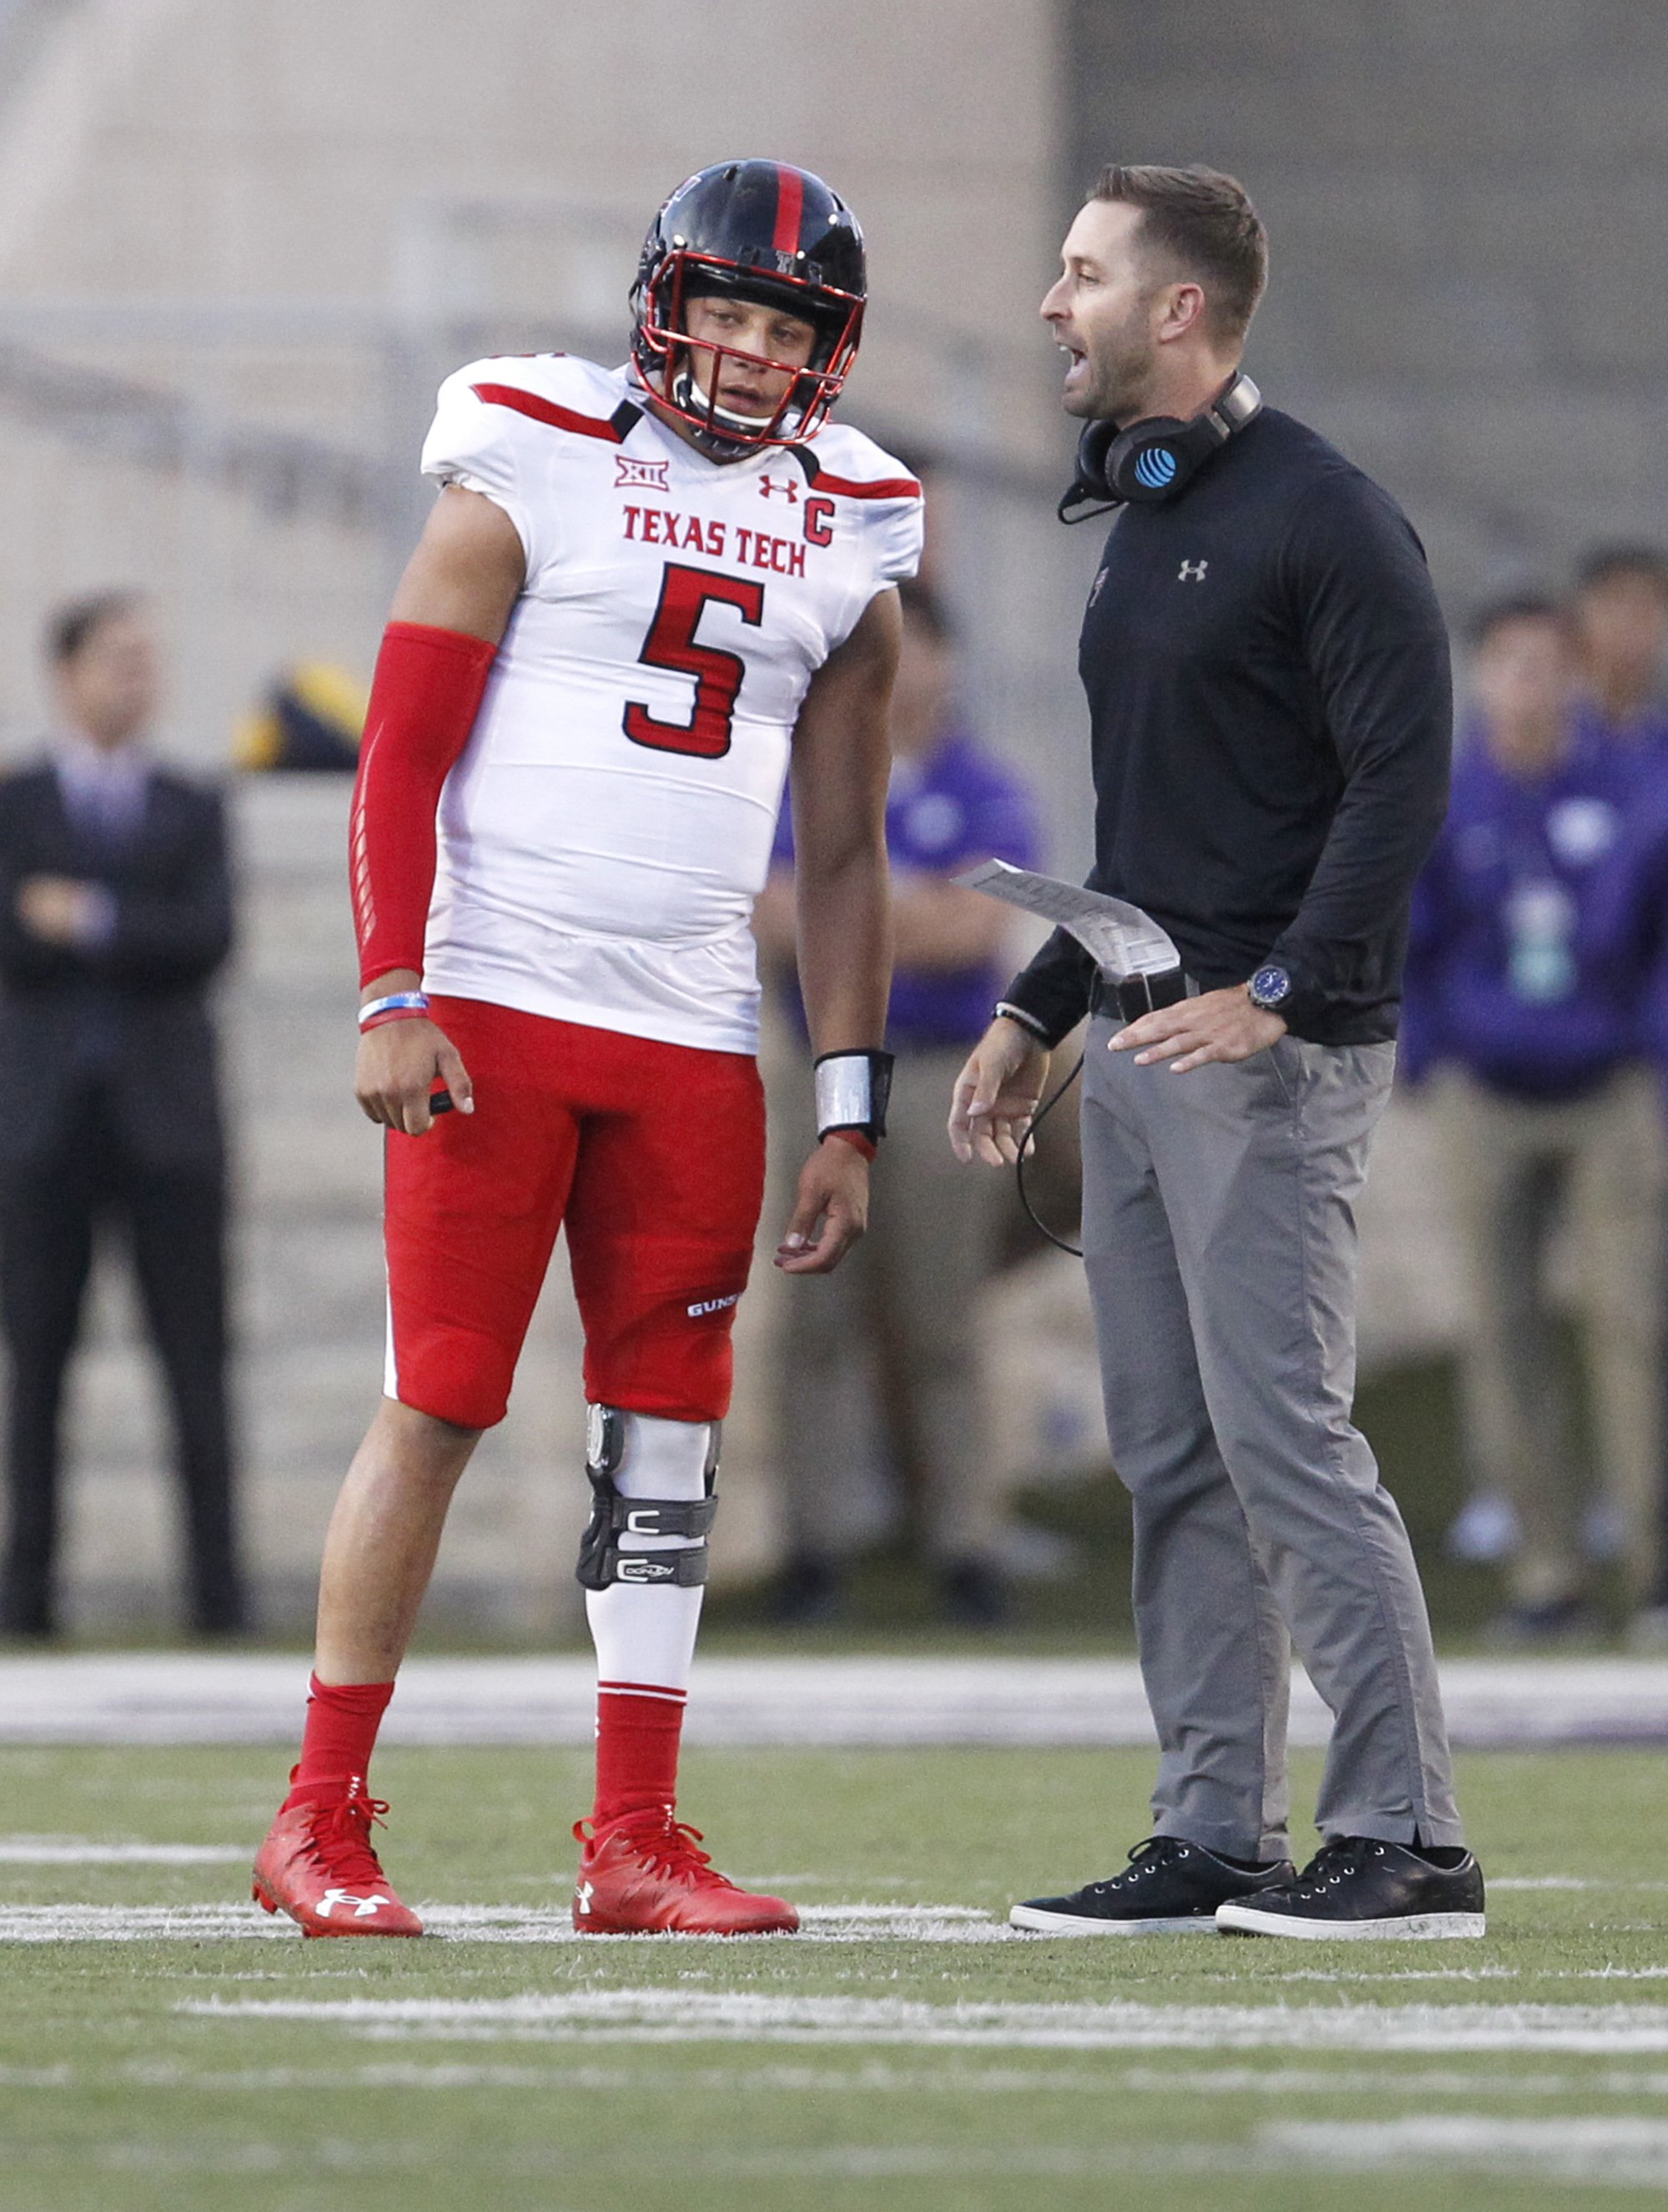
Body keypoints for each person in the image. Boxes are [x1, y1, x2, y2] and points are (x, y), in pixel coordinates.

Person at [251, 159, 920, 1939]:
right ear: (662, 301)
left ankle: (635, 1838)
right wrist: (393, 989)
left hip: (693, 1031)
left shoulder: (854, 521)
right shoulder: (527, 445)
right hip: (493, 1005)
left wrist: (845, 1103)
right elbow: (394, 754)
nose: (751, 348)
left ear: (826, 349)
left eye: (785, 324)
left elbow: (843, 851)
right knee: (445, 1391)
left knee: (672, 1437)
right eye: (725, 307)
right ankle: (317, 1816)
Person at [951, 163, 1485, 1938]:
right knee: (1170, 1455)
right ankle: (1212, 1834)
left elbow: (1403, 782)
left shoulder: (1324, 517)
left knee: (1284, 1441)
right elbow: (1157, 839)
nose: (1053, 301)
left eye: (1084, 273)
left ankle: (1407, 1833)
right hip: (1138, 1044)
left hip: (1268, 1057)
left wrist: (1275, 993)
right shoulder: (1148, 526)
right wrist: (1038, 1010)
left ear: (1178, 308)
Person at [756, 576, 1041, 1626]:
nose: (906, 667)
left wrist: (848, 916)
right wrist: (899, 910)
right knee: (813, 1314)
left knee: (941, 1314)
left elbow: (979, 926)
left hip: (933, 1071)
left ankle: (965, 1540)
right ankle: (810, 1548)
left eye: (923, 646)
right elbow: (765, 905)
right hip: (824, 1059)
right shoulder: (810, 769)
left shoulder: (980, 784)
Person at [1404, 596, 1663, 1641]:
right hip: (1486, 1090)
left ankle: (1652, 1572)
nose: (1527, 683)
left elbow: (1653, 939)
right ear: (1482, 675)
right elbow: (1408, 937)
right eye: (1506, 663)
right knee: (1500, 1331)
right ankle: (1544, 1572)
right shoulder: (1449, 797)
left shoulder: (1631, 789)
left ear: (1574, 675)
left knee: (1634, 1325)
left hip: (1603, 1088)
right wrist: (1427, 1059)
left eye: (1546, 663)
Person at [0, 592, 244, 1638]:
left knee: (194, 1362)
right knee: (37, 1363)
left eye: (148, 661)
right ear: (66, 672)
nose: (134, 678)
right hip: (44, 1124)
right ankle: (27, 1599)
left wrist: (85, 916)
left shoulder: (192, 805)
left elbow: (207, 935)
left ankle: (220, 1601)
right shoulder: (16, 803)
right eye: (115, 659)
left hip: (168, 1126)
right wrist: (119, 927)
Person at [1571, 545, 1668, 753]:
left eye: (1650, 604)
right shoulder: (1549, 730)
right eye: (1618, 600)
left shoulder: (1658, 731)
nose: (1635, 618)